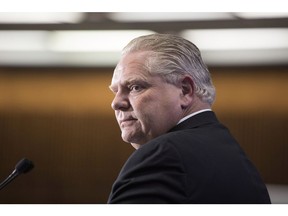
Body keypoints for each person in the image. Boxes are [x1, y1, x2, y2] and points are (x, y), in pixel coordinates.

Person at [107, 33, 271, 204]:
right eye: (115, 91)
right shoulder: (227, 150)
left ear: (185, 90)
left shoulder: (163, 155)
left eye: (135, 87)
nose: (116, 103)